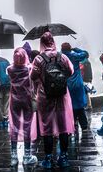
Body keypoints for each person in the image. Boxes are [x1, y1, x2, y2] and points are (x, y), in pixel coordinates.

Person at [31, 32, 74, 169]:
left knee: (47, 128)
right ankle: (64, 158)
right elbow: (71, 71)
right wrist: (60, 78)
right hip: (61, 95)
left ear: (42, 43)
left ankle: (48, 159)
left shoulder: (38, 59)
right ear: (53, 41)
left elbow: (33, 76)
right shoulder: (62, 56)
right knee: (63, 127)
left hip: (45, 96)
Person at [7, 47, 37, 166]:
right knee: (27, 126)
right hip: (27, 100)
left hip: (14, 100)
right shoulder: (28, 68)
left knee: (14, 126)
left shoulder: (10, 69)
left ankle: (14, 157)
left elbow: (12, 69)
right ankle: (27, 155)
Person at [61, 43, 89, 131]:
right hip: (77, 84)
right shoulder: (74, 56)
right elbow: (86, 54)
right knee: (80, 105)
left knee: (70, 105)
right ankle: (84, 125)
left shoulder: (60, 57)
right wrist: (76, 49)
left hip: (66, 84)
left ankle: (73, 124)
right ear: (70, 49)